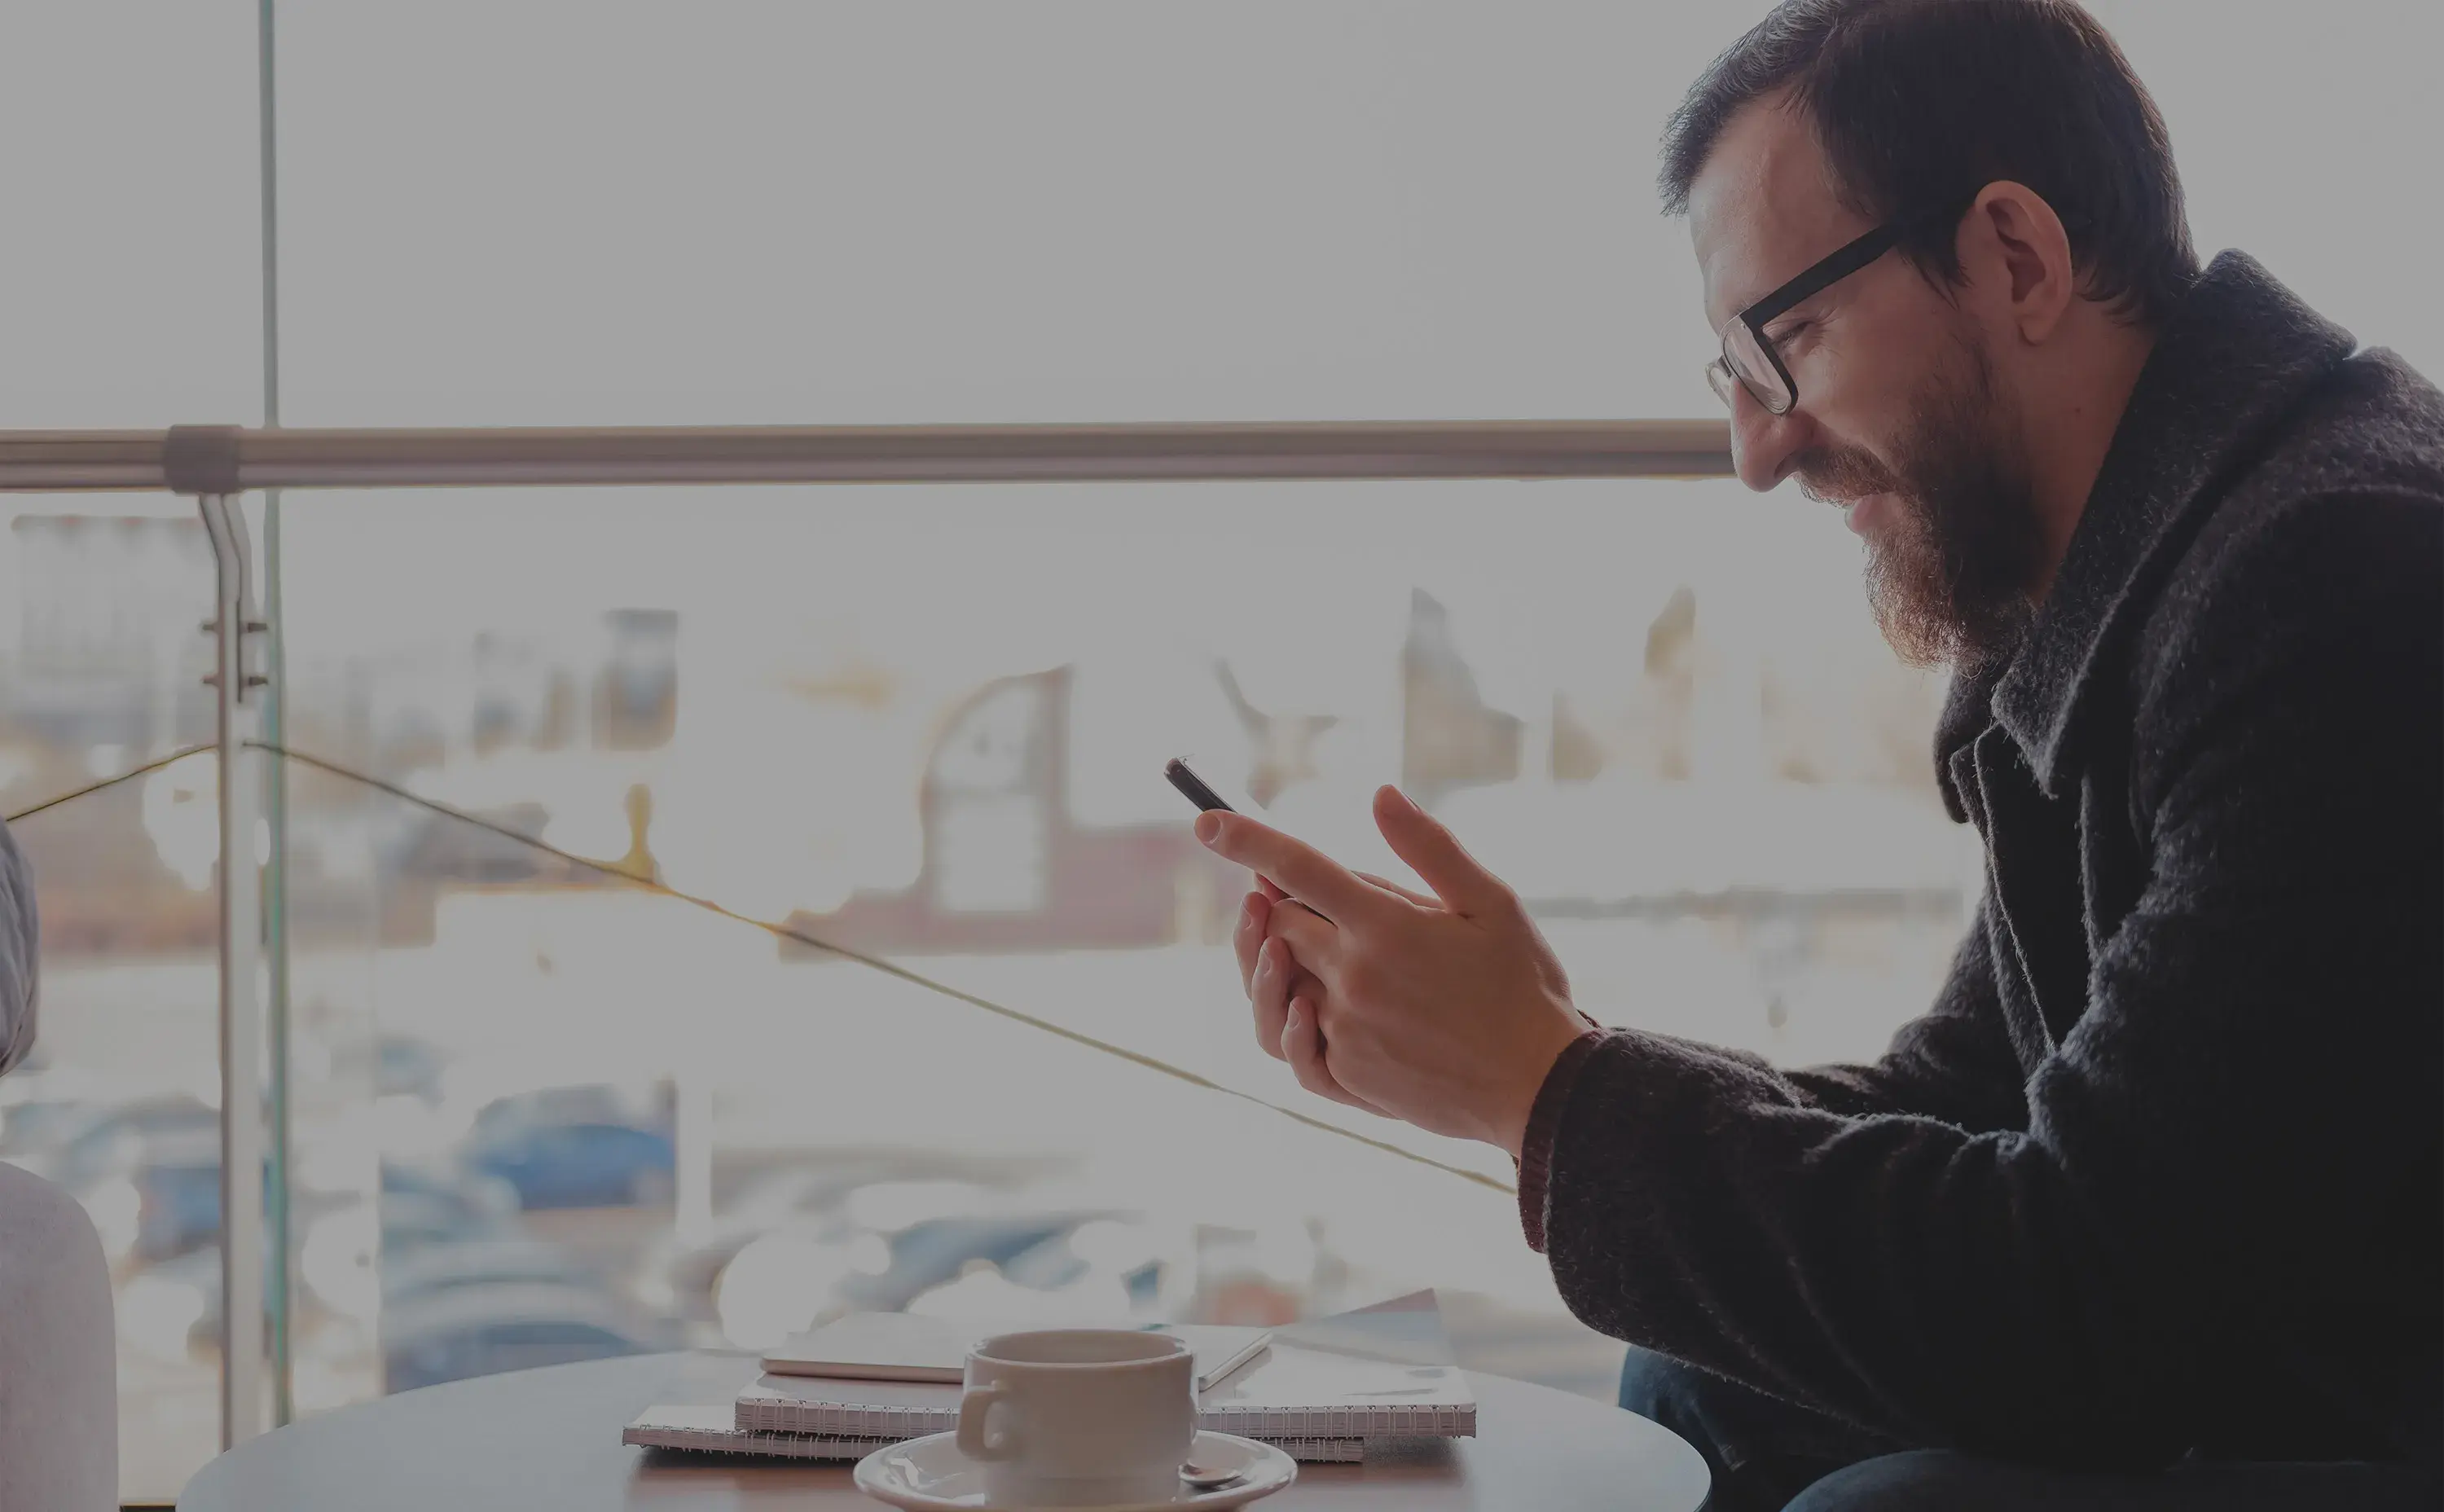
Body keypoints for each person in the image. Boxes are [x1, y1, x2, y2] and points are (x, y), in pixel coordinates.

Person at [1192, 2, 2442, 1507]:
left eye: (1782, 344)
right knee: (1700, 1373)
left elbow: (2096, 1306)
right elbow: (1972, 1099)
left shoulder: (2331, 581)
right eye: (1731, 373)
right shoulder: (2133, 573)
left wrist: (1545, 1093)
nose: (1758, 448)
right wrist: (1542, 1050)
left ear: (2015, 258)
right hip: (2251, 1353)